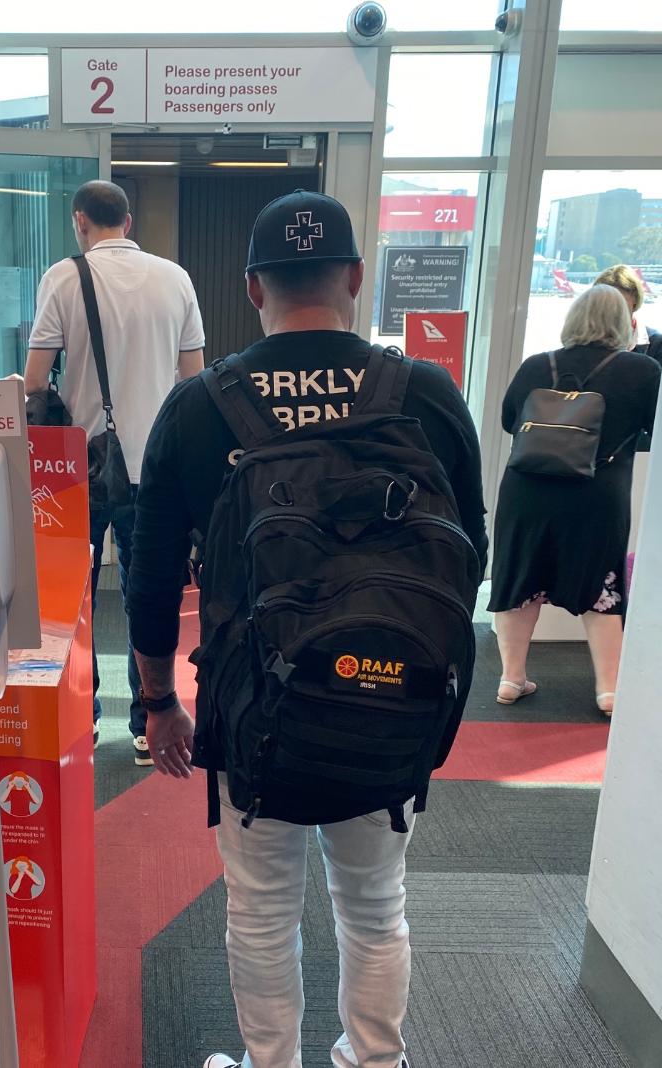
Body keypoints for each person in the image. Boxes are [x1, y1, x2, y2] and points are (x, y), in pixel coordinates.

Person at [125, 191, 487, 1068]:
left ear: (253, 288)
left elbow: (151, 570)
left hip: (256, 708)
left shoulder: (201, 405)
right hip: (393, 697)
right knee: (375, 904)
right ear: (357, 278)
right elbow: (470, 549)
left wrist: (156, 701)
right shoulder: (425, 393)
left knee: (259, 908)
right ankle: (374, 1062)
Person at [24, 180, 205, 762]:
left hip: (83, 463)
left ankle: (83, 716)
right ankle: (145, 722)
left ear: (82, 221)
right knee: (146, 591)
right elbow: (193, 378)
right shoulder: (175, 278)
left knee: (73, 594)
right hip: (156, 463)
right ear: (128, 221)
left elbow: (32, 383)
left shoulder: (62, 277)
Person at [488, 284, 659, 716]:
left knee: (519, 579)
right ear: (624, 322)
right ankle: (609, 690)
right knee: (601, 586)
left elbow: (510, 420)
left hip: (528, 489)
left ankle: (511, 679)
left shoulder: (536, 365)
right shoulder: (641, 371)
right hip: (596, 494)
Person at [593, 263, 662, 365]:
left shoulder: (656, 343)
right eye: (605, 303)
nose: (613, 309)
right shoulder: (584, 341)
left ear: (635, 298)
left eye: (620, 302)